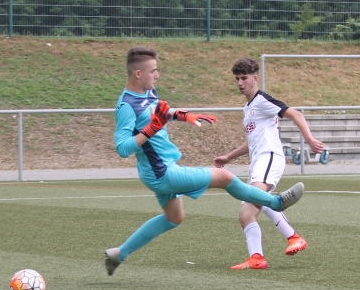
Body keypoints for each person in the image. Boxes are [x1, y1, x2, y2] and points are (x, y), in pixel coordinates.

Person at [105, 47, 305, 274]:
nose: (157, 75)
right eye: (153, 71)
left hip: (161, 169)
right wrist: (152, 129)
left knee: (174, 218)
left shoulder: (148, 92)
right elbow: (123, 148)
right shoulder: (126, 106)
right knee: (224, 177)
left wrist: (185, 116)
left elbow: (162, 112)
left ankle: (118, 254)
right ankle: (276, 203)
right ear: (138, 73)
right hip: (160, 172)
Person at [213, 58, 325, 270]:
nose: (240, 83)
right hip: (259, 161)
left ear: (255, 78)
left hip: (269, 157)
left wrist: (309, 139)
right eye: (237, 79)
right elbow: (252, 141)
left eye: (244, 78)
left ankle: (259, 257)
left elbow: (295, 114)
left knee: (248, 212)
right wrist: (229, 157)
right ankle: (291, 239)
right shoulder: (249, 107)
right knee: (258, 205)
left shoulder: (262, 100)